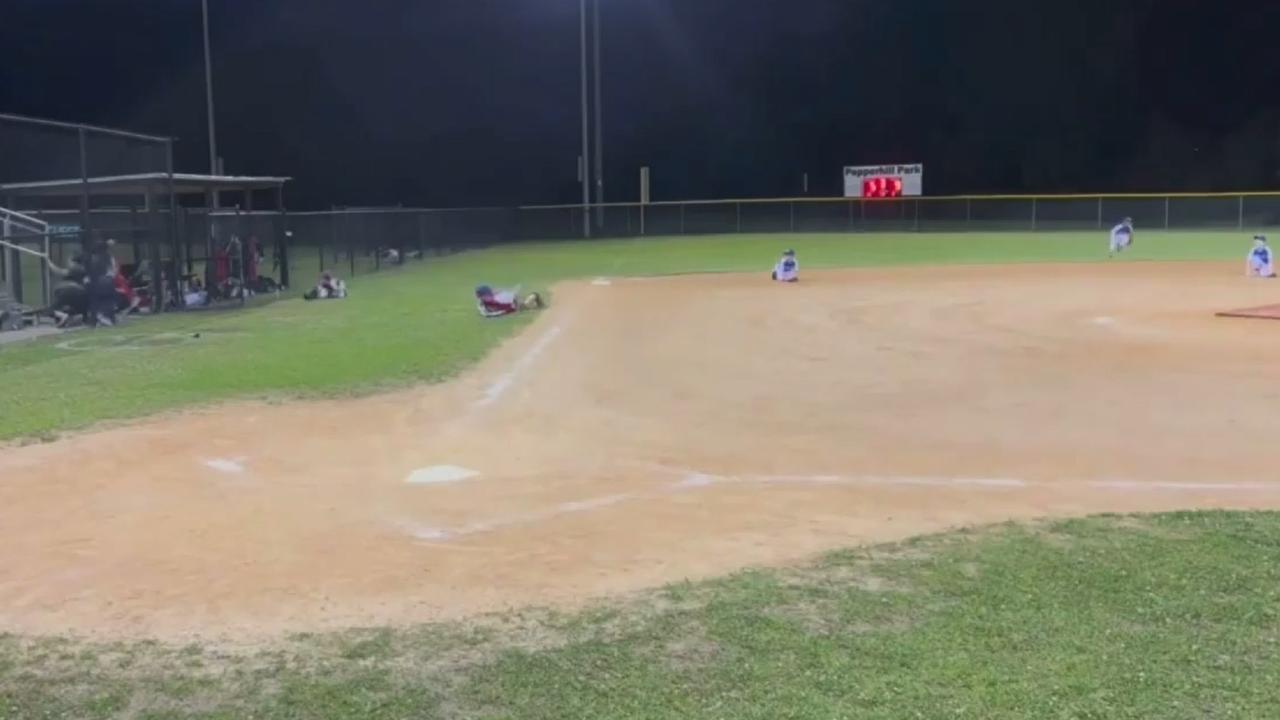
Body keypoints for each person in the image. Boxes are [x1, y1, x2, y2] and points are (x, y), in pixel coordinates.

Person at [46, 254, 90, 328]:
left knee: (50, 310)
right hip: (81, 293)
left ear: (74, 261)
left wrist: (48, 261)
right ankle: (78, 320)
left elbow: (59, 271)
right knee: (76, 309)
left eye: (69, 261)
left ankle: (63, 316)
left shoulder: (75, 268)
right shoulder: (84, 269)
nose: (68, 262)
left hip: (67, 291)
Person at [475, 284, 542, 317]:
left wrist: (507, 311)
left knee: (525, 305)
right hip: (508, 307)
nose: (480, 298)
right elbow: (486, 313)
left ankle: (535, 298)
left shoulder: (497, 298)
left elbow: (511, 302)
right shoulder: (482, 303)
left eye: (481, 296)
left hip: (514, 305)